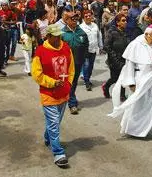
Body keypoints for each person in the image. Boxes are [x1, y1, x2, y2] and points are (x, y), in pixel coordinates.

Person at [108, 24, 152, 144]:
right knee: (138, 105)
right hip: (141, 80)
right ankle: (132, 128)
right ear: (146, 34)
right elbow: (129, 65)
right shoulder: (135, 45)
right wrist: (131, 83)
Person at [31, 24, 74, 168]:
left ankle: (48, 137)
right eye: (54, 36)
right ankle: (58, 153)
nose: (57, 38)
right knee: (54, 122)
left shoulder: (66, 48)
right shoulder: (40, 51)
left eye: (59, 36)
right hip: (48, 93)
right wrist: (52, 83)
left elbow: (71, 68)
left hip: (63, 92)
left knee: (55, 122)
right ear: (48, 37)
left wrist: (68, 84)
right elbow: (37, 74)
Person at [61, 12, 89, 115]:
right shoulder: (62, 33)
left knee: (73, 82)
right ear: (67, 20)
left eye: (76, 19)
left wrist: (85, 57)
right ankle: (72, 103)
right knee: (68, 82)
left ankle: (70, 98)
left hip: (78, 62)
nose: (74, 20)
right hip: (65, 64)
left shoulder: (81, 32)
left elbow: (86, 44)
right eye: (72, 19)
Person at [102, 14, 130, 99]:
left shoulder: (126, 32)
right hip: (114, 60)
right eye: (123, 20)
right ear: (118, 22)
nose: (125, 22)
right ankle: (106, 87)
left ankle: (122, 95)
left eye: (125, 20)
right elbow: (106, 46)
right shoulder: (112, 32)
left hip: (124, 59)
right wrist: (114, 57)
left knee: (123, 77)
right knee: (114, 78)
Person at [79, 10, 103, 91]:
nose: (88, 17)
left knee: (91, 66)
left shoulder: (95, 25)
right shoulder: (81, 27)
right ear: (83, 17)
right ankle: (86, 82)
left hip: (94, 49)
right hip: (84, 50)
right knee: (86, 65)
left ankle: (88, 79)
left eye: (89, 15)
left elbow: (99, 36)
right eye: (86, 16)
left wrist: (100, 46)